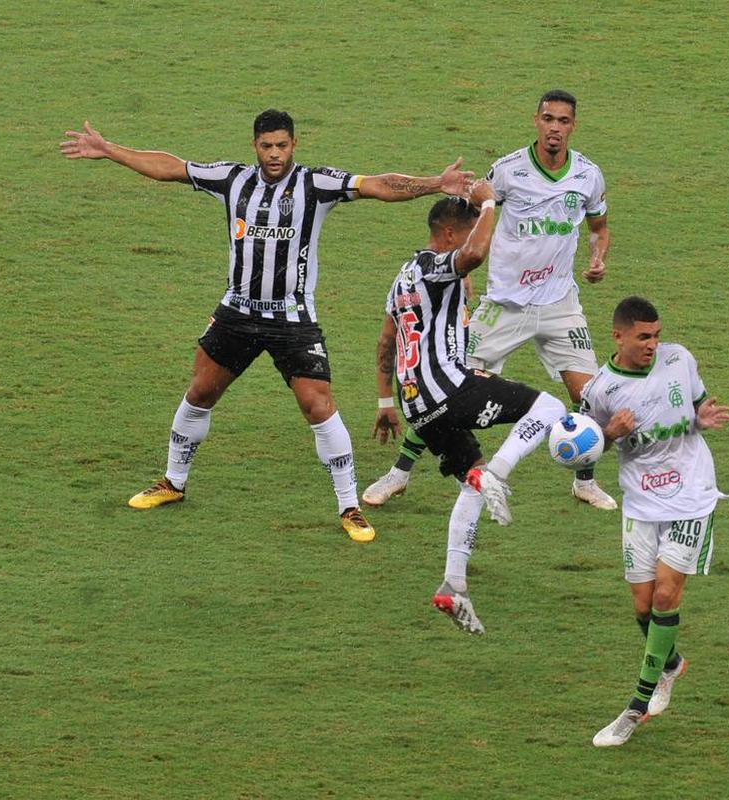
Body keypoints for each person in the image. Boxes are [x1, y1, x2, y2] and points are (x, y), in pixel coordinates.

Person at [61, 110, 473, 542]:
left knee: (319, 405)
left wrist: (432, 184)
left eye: (282, 146)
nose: (274, 154)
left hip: (292, 319)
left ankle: (349, 507)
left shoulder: (316, 185)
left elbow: (377, 184)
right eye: (266, 146)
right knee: (201, 391)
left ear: (295, 144)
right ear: (254, 146)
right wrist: (110, 151)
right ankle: (173, 483)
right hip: (237, 312)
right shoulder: (232, 179)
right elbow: (172, 167)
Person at [363, 89, 617, 511]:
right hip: (504, 305)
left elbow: (599, 226)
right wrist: (456, 279)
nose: (555, 128)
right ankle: (399, 472)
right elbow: (461, 222)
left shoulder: (589, 175)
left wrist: (596, 256)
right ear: (535, 121)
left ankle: (584, 481)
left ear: (574, 126)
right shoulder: (507, 171)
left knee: (588, 395)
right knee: (444, 387)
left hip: (559, 303)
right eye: (548, 119)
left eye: (563, 121)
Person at [373, 181, 568, 634]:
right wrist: (488, 203)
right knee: (550, 407)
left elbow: (386, 342)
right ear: (445, 235)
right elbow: (473, 255)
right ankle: (496, 474)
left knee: (470, 483)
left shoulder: (401, 277)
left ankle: (452, 586)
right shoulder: (433, 264)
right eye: (467, 233)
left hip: (418, 406)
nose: (477, 240)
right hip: (450, 389)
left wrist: (386, 400)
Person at [575, 297, 729, 747]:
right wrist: (609, 435)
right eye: (644, 337)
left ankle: (636, 706)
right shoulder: (601, 390)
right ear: (619, 336)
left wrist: (701, 418)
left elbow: (699, 405)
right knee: (643, 608)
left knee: (665, 596)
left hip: (691, 496)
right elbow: (578, 454)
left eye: (657, 335)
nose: (653, 344)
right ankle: (671, 663)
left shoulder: (679, 359)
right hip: (641, 503)